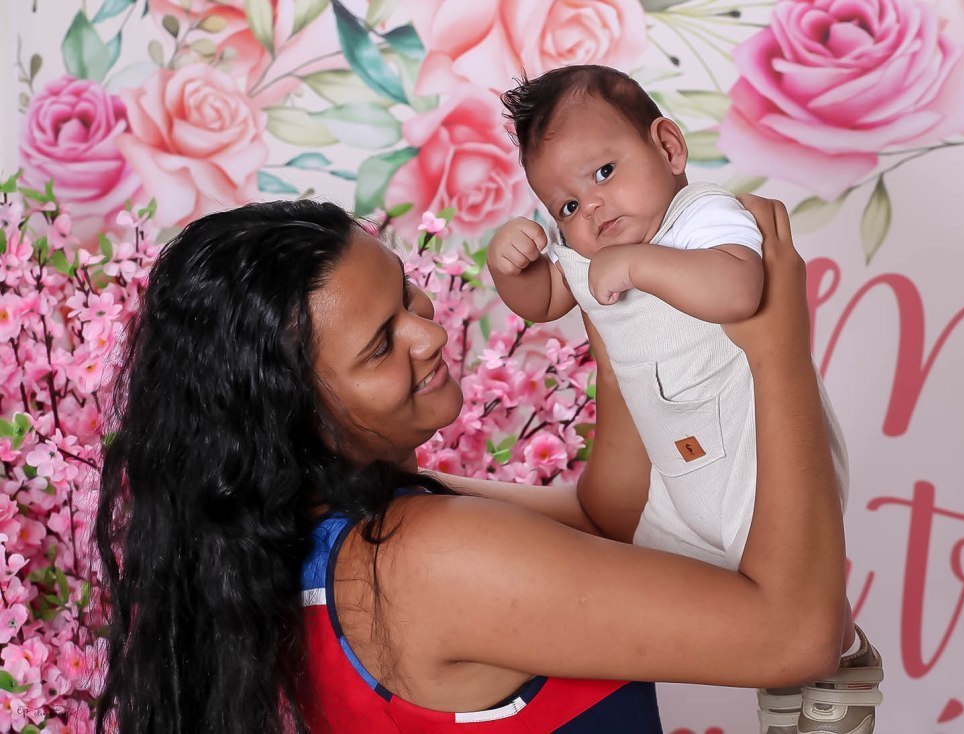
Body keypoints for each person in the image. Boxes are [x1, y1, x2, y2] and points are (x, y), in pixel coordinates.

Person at [96, 194, 846, 734]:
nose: (427, 334)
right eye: (380, 347)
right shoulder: (421, 559)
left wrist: (609, 311)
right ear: (291, 416)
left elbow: (608, 519)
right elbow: (797, 638)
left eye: (404, 294)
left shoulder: (313, 533)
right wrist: (775, 348)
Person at [487, 65, 881, 734]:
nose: (593, 209)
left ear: (668, 149)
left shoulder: (702, 217)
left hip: (754, 449)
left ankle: (841, 651)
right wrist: (511, 270)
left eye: (604, 172)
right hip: (678, 468)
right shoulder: (589, 253)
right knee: (687, 580)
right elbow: (546, 299)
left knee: (779, 565)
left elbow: (740, 290)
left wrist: (639, 265)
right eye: (566, 207)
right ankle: (782, 667)